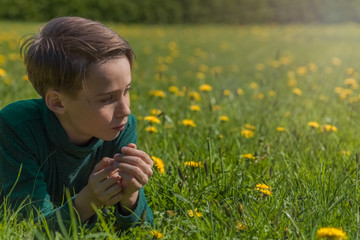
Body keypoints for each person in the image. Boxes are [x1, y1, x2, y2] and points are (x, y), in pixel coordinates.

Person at [0, 16, 154, 231]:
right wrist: (89, 200)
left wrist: (131, 196)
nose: (126, 110)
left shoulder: (121, 128)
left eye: (126, 91)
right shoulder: (17, 126)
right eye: (107, 99)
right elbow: (29, 228)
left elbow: (143, 230)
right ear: (57, 102)